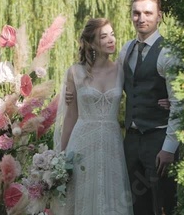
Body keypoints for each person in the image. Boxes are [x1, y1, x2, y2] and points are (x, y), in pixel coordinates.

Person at [54, 18, 134, 215]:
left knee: (112, 199)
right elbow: (71, 116)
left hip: (111, 144)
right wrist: (61, 157)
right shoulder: (75, 72)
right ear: (91, 43)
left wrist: (163, 101)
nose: (111, 40)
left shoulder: (121, 70)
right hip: (81, 144)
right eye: (103, 36)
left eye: (112, 34)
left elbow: (140, 94)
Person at [118, 0, 181, 215]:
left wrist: (169, 149)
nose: (141, 18)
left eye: (147, 13)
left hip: (158, 139)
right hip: (132, 141)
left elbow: (179, 104)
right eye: (136, 13)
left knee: (163, 204)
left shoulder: (168, 53)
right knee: (136, 206)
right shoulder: (126, 50)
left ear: (159, 16)